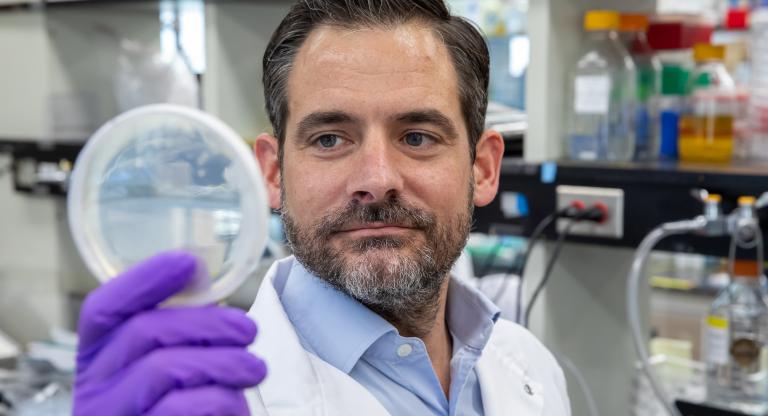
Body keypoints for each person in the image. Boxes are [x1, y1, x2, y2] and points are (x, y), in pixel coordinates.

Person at [72, 1, 571, 415]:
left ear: (483, 168)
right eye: (329, 138)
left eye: (417, 137)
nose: (376, 180)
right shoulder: (214, 400)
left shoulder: (529, 368)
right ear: (273, 172)